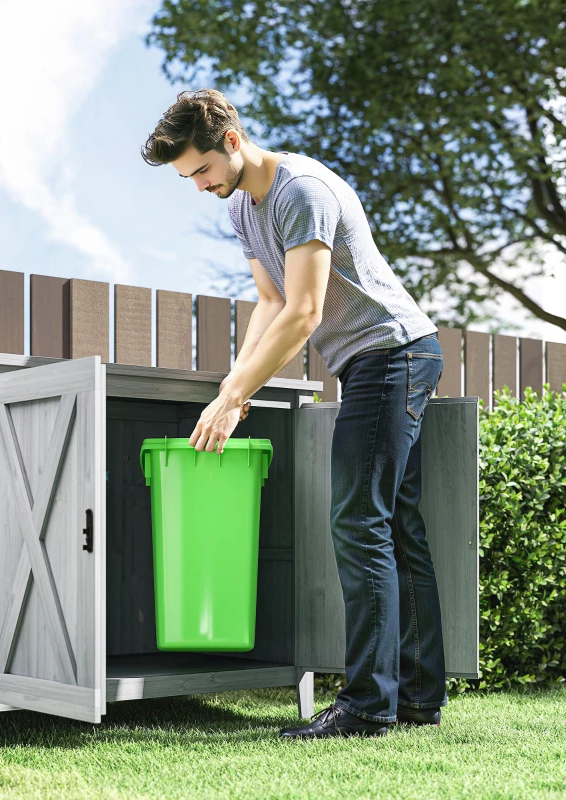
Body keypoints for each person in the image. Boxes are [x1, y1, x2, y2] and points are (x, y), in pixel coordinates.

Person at [141, 89, 447, 739]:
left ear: (230, 141)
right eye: (185, 179)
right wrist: (234, 382)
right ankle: (416, 698)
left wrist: (232, 398)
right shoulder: (243, 211)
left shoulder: (301, 191)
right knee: (395, 532)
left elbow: (305, 314)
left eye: (199, 171)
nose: (197, 186)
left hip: (391, 355)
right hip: (380, 359)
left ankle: (368, 706)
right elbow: (269, 300)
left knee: (360, 524)